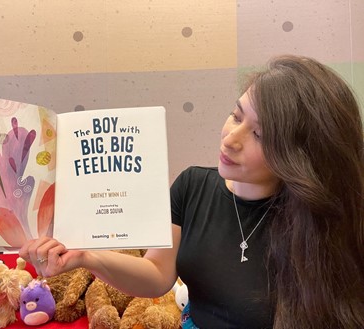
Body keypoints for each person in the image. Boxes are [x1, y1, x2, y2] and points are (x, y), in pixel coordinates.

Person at [19, 55, 364, 328]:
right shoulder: (193, 185)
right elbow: (157, 276)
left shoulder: (320, 222)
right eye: (235, 115)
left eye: (259, 135)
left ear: (300, 154)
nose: (230, 138)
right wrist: (87, 258)